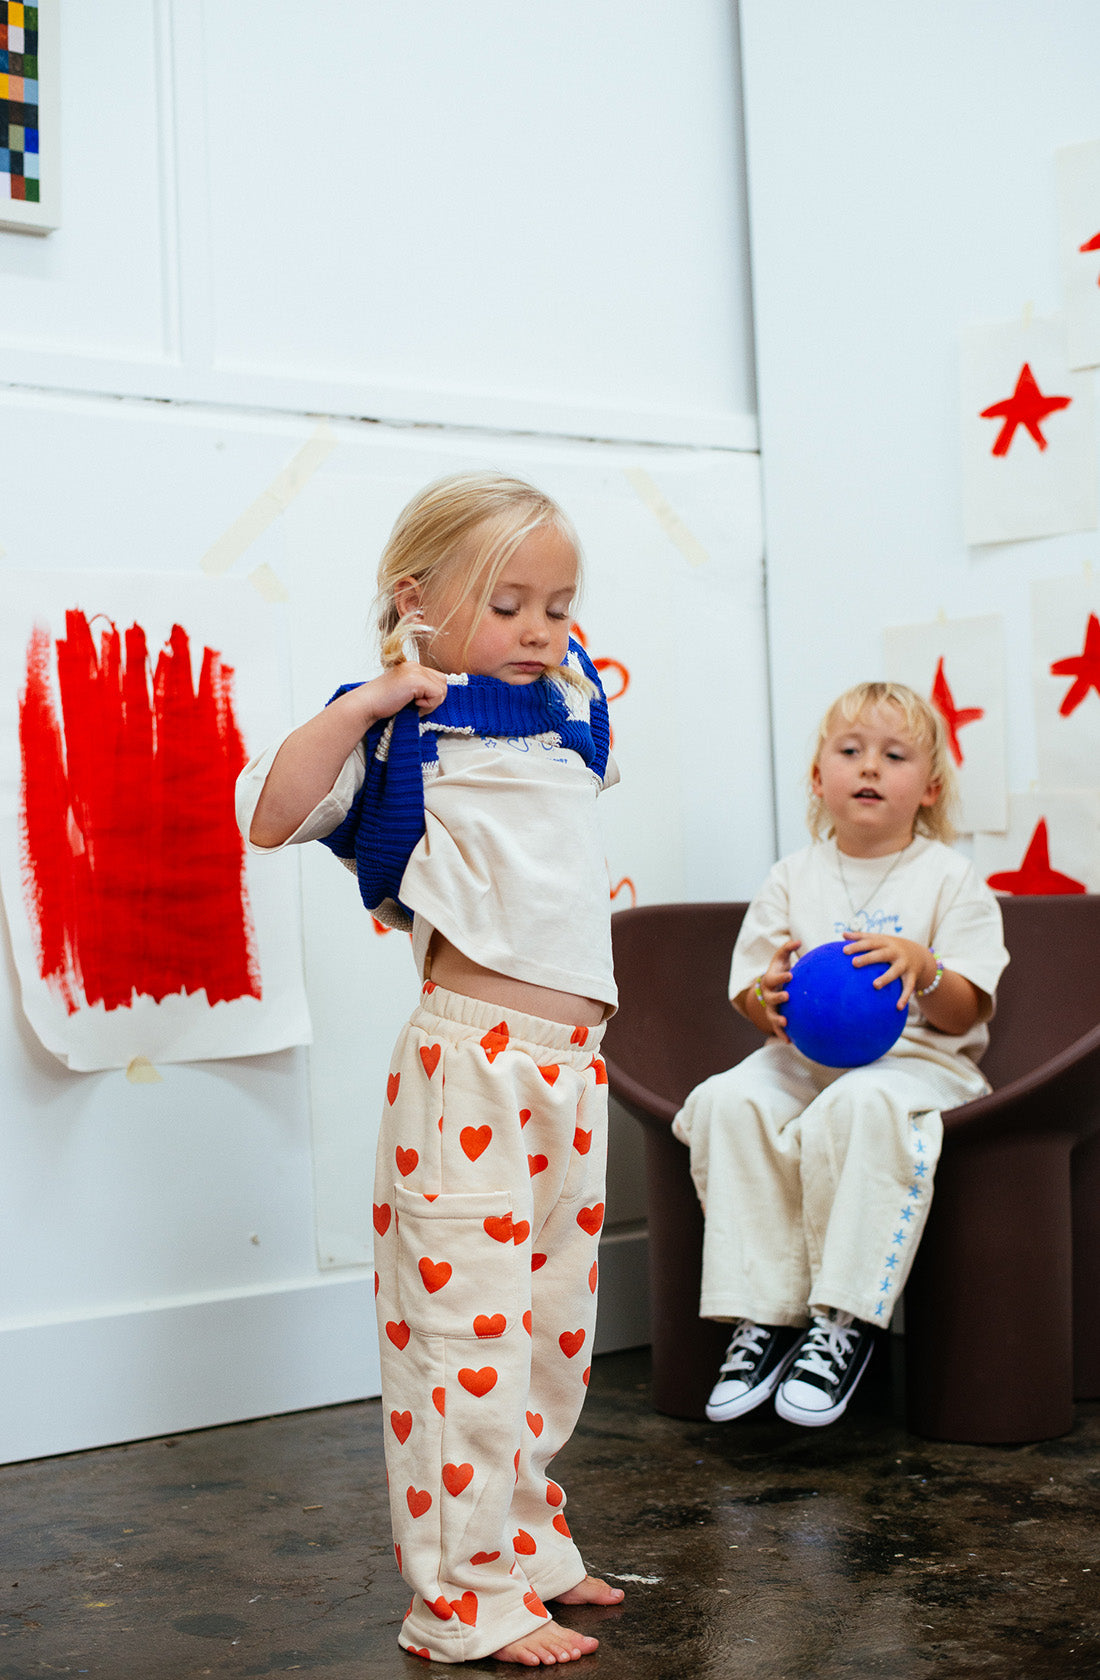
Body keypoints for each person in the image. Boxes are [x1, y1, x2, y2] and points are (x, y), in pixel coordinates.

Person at [235, 472, 625, 1666]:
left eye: (556, 605)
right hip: (469, 1073)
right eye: (505, 602)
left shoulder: (564, 718)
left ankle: (522, 1539)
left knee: (552, 1329)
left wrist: (552, 660)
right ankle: (457, 1598)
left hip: (573, 1072)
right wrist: (368, 700)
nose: (537, 628)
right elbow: (269, 812)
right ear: (416, 598)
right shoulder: (400, 732)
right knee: (464, 1337)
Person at [672, 681, 1008, 1429]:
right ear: (819, 779)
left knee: (863, 1102)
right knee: (730, 1099)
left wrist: (924, 966)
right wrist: (773, 995)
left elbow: (968, 1009)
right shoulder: (793, 876)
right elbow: (751, 997)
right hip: (804, 1059)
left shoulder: (950, 878)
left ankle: (844, 1321)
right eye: (850, 751)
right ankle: (762, 1319)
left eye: (893, 755)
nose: (869, 768)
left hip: (922, 1063)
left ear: (928, 787)